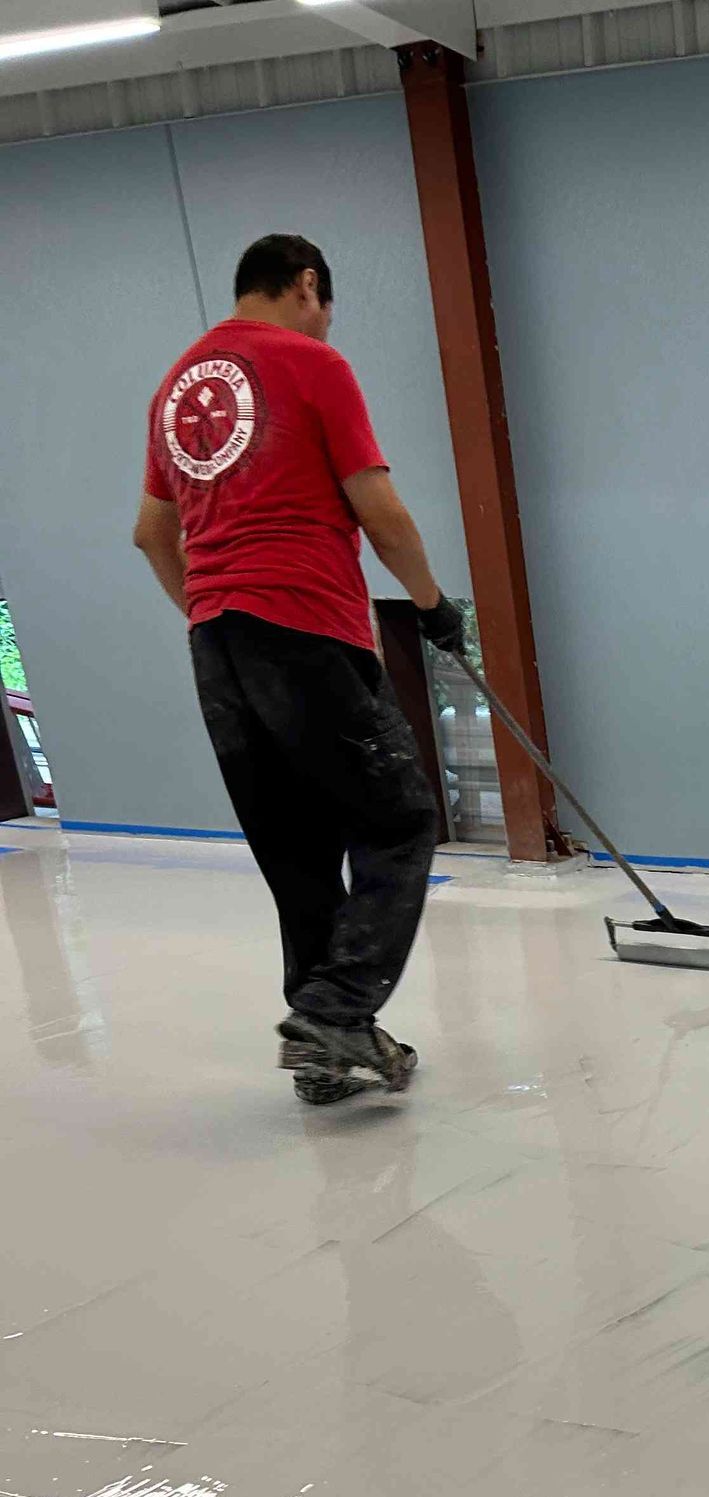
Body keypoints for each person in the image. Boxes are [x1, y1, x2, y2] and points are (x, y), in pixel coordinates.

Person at [133, 232, 466, 1104]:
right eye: (325, 305)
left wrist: (216, 615)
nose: (325, 321)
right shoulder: (313, 364)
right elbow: (380, 509)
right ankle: (338, 1011)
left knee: (300, 855)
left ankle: (323, 1057)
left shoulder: (176, 388)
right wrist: (432, 606)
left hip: (218, 646)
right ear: (308, 285)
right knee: (400, 822)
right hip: (306, 630)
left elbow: (151, 534)